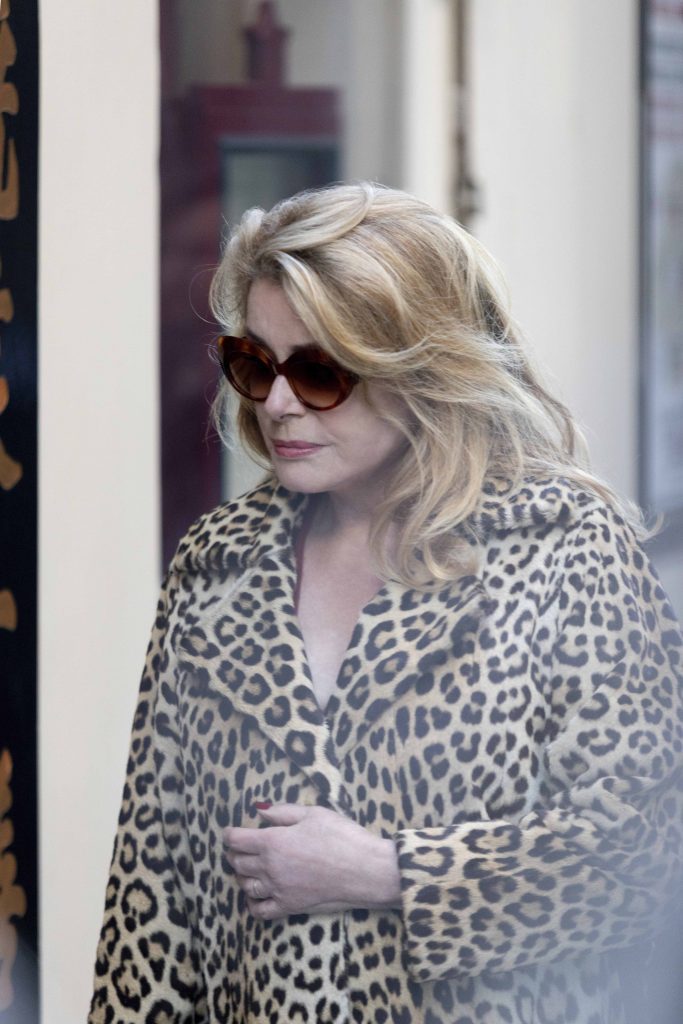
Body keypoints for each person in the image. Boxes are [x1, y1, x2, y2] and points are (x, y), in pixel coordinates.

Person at [88, 183, 682, 1024]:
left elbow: (643, 860)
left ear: (420, 369)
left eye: (318, 371)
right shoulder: (216, 566)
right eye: (255, 363)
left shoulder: (561, 545)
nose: (277, 403)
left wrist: (387, 872)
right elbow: (152, 900)